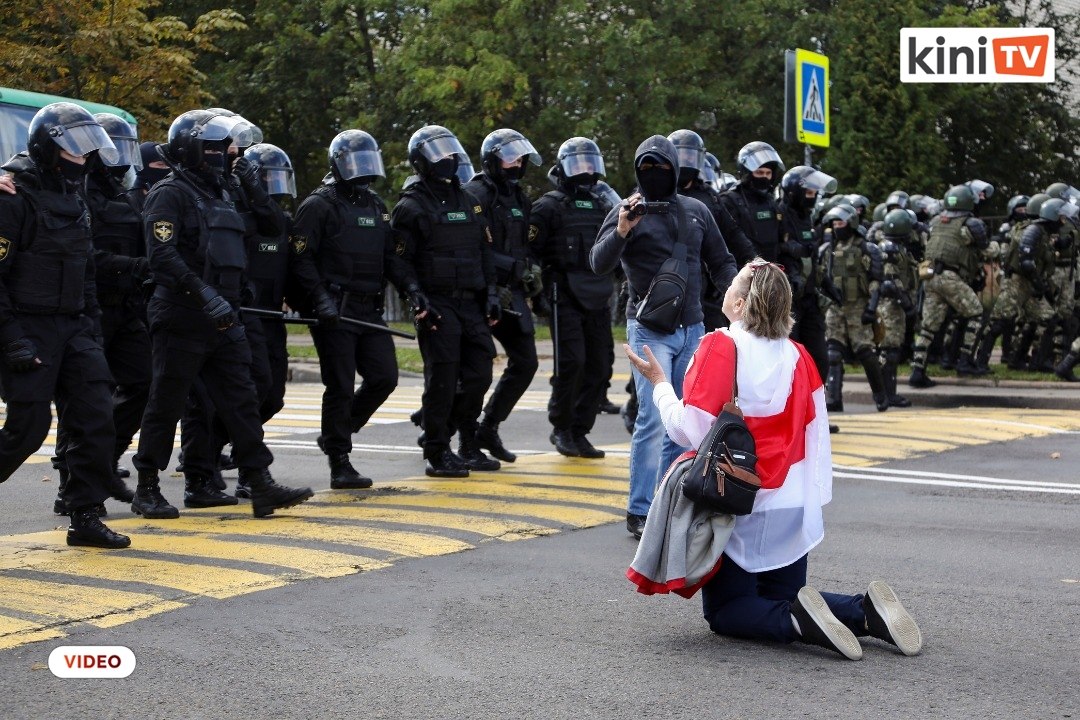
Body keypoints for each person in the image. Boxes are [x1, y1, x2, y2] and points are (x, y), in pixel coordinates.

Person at [624, 258, 923, 660]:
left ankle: (801, 625)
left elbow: (688, 430)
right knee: (782, 595)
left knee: (726, 612)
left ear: (742, 304)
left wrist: (660, 385)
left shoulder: (720, 346)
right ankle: (864, 611)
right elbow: (816, 438)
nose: (725, 291)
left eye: (732, 286)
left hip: (738, 502)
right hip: (791, 504)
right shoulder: (800, 356)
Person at [132, 108, 313, 518]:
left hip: (226, 315)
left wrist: (252, 185)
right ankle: (147, 486)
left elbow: (270, 227)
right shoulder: (170, 193)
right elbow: (162, 255)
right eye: (223, 145)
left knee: (242, 399)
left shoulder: (226, 192)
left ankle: (260, 482)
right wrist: (203, 294)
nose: (234, 151)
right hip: (182, 313)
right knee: (166, 400)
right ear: (197, 149)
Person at [591, 134, 737, 539]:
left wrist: (739, 300)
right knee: (653, 419)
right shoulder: (627, 210)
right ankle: (639, 511)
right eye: (647, 168)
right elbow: (598, 263)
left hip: (692, 328)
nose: (655, 174)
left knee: (683, 420)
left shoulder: (696, 211)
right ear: (637, 171)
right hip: (649, 332)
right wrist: (622, 230)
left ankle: (667, 500)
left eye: (663, 167)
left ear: (675, 169)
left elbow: (721, 262)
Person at [0, 102, 130, 548]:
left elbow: (85, 268)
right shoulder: (12, 195)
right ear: (47, 148)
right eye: (74, 151)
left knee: (96, 418)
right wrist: (12, 339)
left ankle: (86, 515)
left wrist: (91, 327)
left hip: (73, 326)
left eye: (87, 152)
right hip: (27, 328)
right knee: (27, 430)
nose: (83, 160)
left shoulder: (76, 197)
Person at [294, 129, 419, 486]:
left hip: (369, 310)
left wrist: (411, 288)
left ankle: (339, 431)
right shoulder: (318, 205)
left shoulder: (375, 205)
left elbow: (389, 258)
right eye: (356, 162)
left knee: (384, 378)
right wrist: (319, 300)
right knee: (341, 386)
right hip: (334, 311)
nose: (363, 170)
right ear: (338, 164)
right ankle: (339, 461)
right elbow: (301, 260)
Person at [391, 124, 498, 478]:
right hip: (437, 304)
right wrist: (414, 294)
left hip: (471, 304)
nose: (448, 160)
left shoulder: (469, 201)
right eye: (439, 154)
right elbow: (398, 259)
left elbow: (484, 252)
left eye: (451, 152)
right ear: (421, 161)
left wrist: (492, 295)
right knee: (442, 379)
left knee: (480, 373)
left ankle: (449, 434)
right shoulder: (411, 206)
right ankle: (437, 451)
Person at [529, 137, 616, 458]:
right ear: (564, 167)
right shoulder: (548, 206)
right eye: (579, 163)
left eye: (590, 163)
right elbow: (531, 255)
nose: (586, 170)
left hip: (598, 294)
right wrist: (535, 294)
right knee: (572, 363)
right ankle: (561, 428)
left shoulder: (603, 205)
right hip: (563, 295)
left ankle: (581, 430)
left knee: (601, 365)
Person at [462, 128, 542, 467]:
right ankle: (455, 435)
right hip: (480, 291)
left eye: (521, 158)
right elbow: (471, 248)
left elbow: (525, 243)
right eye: (510, 157)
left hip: (513, 292)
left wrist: (530, 272)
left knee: (526, 363)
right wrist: (507, 268)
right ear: (492, 159)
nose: (517, 163)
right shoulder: (474, 193)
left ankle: (488, 427)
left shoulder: (520, 197)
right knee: (473, 370)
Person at [909, 185, 990, 387]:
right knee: (976, 314)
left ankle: (917, 371)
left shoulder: (936, 221)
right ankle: (965, 361)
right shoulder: (970, 224)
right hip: (950, 278)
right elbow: (985, 248)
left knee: (928, 327)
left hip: (930, 276)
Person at [819, 203, 889, 412]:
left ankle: (880, 395)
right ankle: (834, 398)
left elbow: (876, 279)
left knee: (866, 352)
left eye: (841, 223)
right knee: (832, 353)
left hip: (858, 306)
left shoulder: (866, 248)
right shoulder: (827, 250)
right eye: (835, 223)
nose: (838, 227)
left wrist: (872, 306)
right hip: (835, 306)